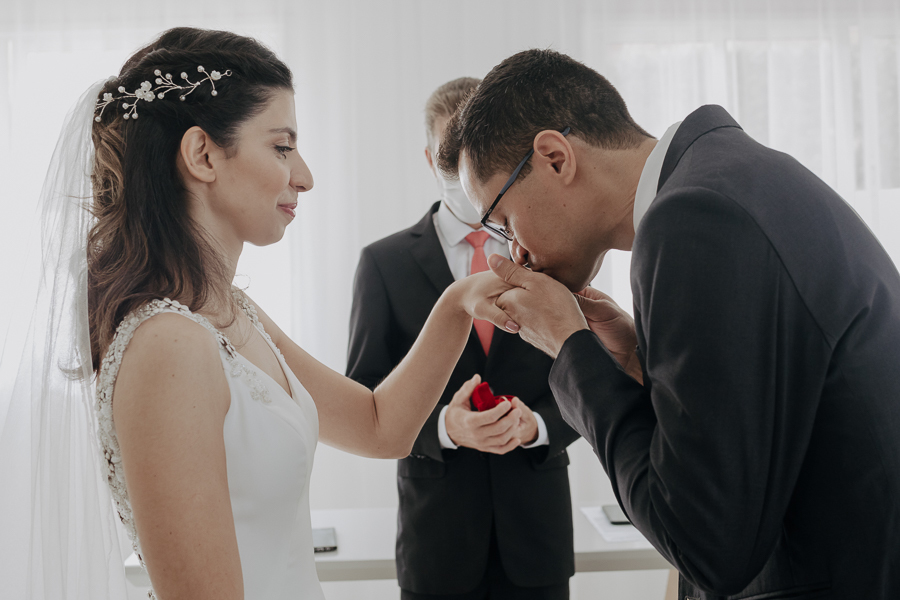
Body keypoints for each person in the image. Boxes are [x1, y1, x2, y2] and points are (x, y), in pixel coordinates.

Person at [0, 28, 516, 600]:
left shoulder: (229, 310)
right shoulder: (168, 343)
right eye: (281, 146)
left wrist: (458, 302)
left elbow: (380, 426)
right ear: (202, 155)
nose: (305, 176)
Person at [437, 49, 900, 600]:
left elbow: (704, 542)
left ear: (555, 158)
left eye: (503, 219)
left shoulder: (691, 218)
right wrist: (636, 360)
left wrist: (569, 349)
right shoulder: (726, 175)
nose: (517, 251)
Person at [347, 77, 579, 600]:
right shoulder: (383, 264)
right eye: (452, 158)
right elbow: (363, 392)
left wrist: (537, 424)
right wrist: (444, 426)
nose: (466, 171)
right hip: (438, 543)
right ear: (430, 160)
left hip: (536, 537)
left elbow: (584, 375)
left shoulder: (552, 257)